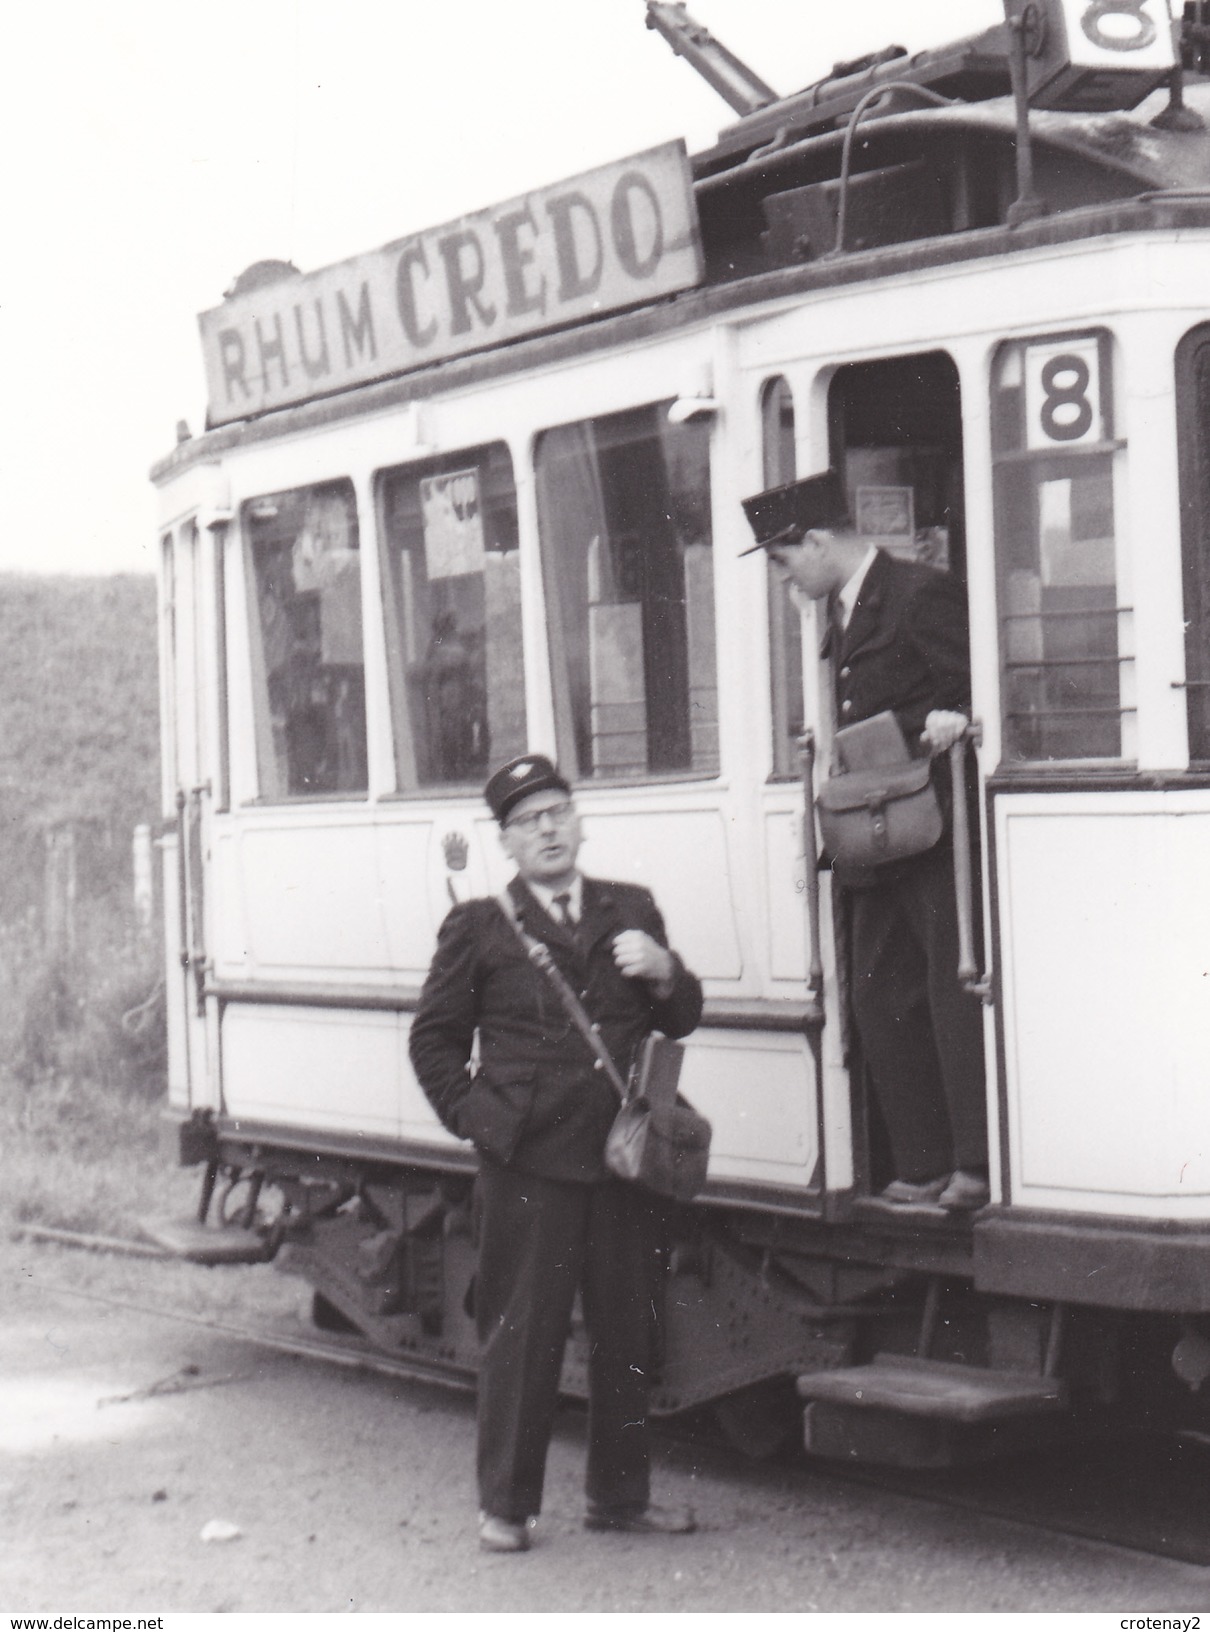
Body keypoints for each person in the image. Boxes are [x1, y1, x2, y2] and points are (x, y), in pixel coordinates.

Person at [408, 752, 703, 1552]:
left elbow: (680, 1019)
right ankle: (505, 1509)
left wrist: (667, 970)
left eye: (557, 814)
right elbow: (432, 1042)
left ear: (580, 823)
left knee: (630, 1334)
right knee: (522, 1336)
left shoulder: (632, 909)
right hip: (530, 1165)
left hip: (622, 1160)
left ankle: (620, 1499)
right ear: (505, 841)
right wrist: (480, 1121)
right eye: (528, 821)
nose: (547, 830)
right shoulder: (479, 925)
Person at [741, 469, 988, 1213]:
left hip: (929, 827)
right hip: (870, 833)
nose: (783, 577)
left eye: (785, 561)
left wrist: (958, 715)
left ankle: (970, 1165)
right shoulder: (840, 611)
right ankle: (921, 1162)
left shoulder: (917, 593)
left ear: (817, 542)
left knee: (949, 992)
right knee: (880, 994)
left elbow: (979, 685)